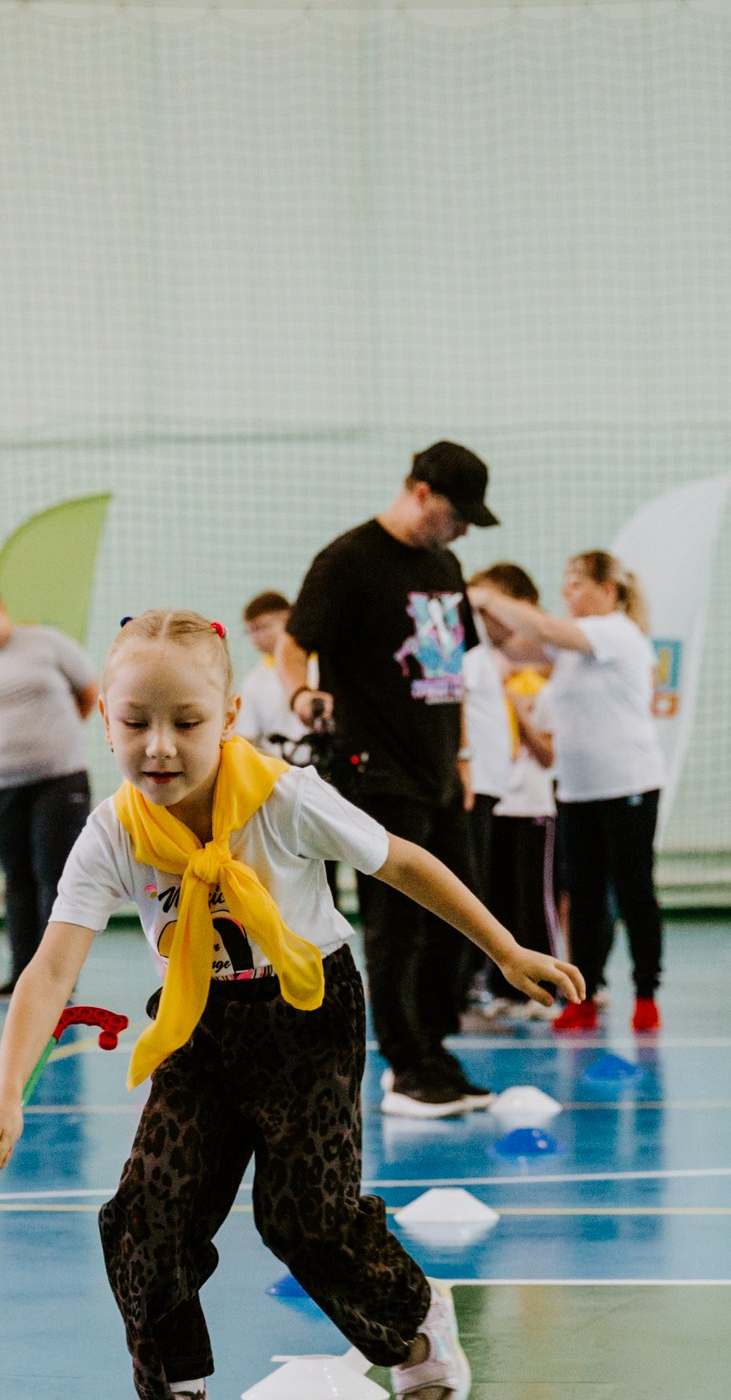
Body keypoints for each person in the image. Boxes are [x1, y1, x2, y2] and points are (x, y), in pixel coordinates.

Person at [0, 610, 580, 1400]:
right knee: (145, 1218)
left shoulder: (282, 798)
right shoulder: (114, 831)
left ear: (228, 717)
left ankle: (412, 1319)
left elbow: (402, 863)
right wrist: (3, 1096)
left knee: (303, 1216)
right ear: (103, 715)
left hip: (309, 1015)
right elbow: (49, 970)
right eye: (135, 722)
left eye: (186, 722)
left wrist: (505, 950)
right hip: (197, 1026)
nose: (160, 747)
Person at [275, 441, 496, 1115]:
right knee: (396, 924)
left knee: (464, 913)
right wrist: (299, 697)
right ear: (423, 493)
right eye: (456, 515)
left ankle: (432, 1045)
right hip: (374, 771)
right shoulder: (348, 561)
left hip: (436, 772)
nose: (460, 531)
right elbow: (293, 644)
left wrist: (460, 763)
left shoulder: (445, 564)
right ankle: (405, 1066)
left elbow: (450, 673)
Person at [470, 551, 667, 1036]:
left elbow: (549, 631)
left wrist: (491, 595)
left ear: (608, 590)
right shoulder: (570, 648)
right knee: (582, 897)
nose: (568, 593)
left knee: (634, 890)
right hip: (577, 790)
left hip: (629, 784)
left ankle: (646, 993)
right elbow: (515, 647)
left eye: (577, 583)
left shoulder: (617, 633)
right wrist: (475, 609)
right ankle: (585, 994)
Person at [0, 581, 100, 1001]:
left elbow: (88, 691)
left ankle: (58, 980)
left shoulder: (48, 644)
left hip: (59, 781)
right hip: (0, 789)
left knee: (55, 877)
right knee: (18, 880)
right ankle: (22, 976)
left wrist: (52, 739)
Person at [465, 563, 559, 1018]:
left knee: (521, 898)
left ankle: (535, 986)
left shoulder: (509, 662)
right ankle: (484, 986)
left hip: (514, 797)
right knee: (485, 893)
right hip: (484, 793)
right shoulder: (474, 656)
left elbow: (542, 645)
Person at [234, 591, 315, 766]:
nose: (255, 638)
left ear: (287, 619)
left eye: (260, 627)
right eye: (249, 631)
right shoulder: (252, 682)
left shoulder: (321, 666)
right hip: (280, 770)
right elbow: (247, 739)